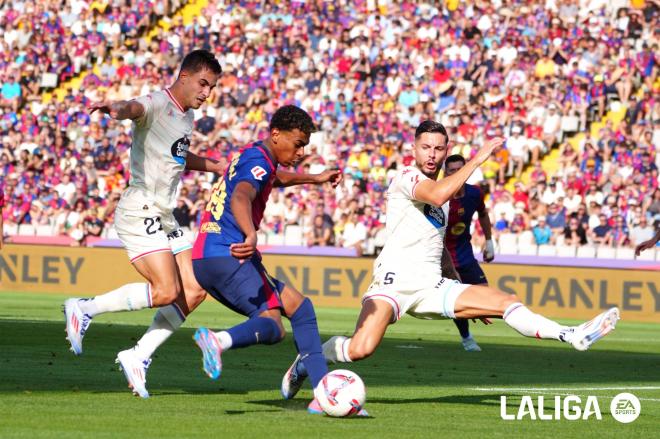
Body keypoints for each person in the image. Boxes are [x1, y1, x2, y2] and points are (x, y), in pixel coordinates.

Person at [283, 121, 619, 395]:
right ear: (414, 149)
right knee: (360, 349)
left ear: (446, 150)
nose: (431, 154)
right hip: (394, 281)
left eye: (438, 148)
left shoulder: (442, 198)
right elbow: (439, 191)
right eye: (425, 147)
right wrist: (478, 159)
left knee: (504, 301)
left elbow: (438, 245)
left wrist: (462, 290)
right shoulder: (407, 178)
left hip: (432, 284)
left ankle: (571, 335)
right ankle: (304, 361)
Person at [62, 50, 224, 397]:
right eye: (203, 83)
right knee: (166, 291)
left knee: (196, 289)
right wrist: (118, 109)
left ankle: (138, 355)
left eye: (211, 87)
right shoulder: (155, 103)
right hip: (140, 209)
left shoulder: (186, 117)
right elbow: (133, 108)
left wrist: (215, 166)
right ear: (184, 77)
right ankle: (84, 308)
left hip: (165, 214)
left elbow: (177, 155)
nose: (207, 93)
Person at [190, 105, 351, 415]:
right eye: (298, 142)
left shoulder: (254, 155)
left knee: (300, 307)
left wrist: (314, 178)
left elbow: (273, 179)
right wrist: (250, 235)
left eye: (305, 145)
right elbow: (241, 196)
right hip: (229, 252)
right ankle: (218, 341)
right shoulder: (256, 162)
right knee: (273, 326)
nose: (302, 150)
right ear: (276, 135)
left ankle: (322, 395)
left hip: (209, 255)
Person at [443, 154, 495, 352]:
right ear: (445, 173)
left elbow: (482, 213)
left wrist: (489, 241)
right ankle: (467, 338)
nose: (456, 174)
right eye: (452, 170)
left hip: (465, 254)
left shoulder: (474, 193)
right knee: (457, 303)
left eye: (460, 169)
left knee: (485, 295)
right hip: (442, 257)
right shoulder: (439, 197)